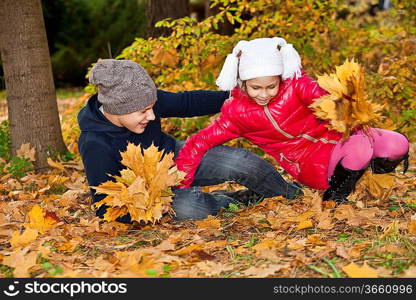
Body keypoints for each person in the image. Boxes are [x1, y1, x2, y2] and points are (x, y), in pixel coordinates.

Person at [175, 37, 409, 203]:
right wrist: (181, 186)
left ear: (280, 79)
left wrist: (346, 104)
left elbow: (323, 96)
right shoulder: (236, 114)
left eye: (271, 86)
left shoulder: (296, 86)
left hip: (334, 138)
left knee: (397, 143)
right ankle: (334, 197)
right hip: (310, 162)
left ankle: (367, 180)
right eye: (256, 87)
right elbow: (198, 144)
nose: (264, 94)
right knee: (360, 146)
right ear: (242, 83)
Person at [77, 59, 301, 223]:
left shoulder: (145, 99)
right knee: (190, 207)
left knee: (240, 160)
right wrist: (148, 208)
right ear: (118, 110)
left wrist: (234, 98)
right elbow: (105, 206)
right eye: (143, 112)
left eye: (152, 108)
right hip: (149, 192)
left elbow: (187, 102)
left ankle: (291, 193)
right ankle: (235, 200)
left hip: (173, 155)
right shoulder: (95, 143)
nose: (153, 116)